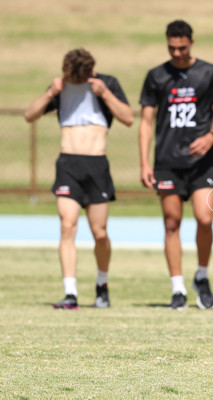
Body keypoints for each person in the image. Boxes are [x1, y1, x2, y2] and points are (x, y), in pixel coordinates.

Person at [24, 48, 134, 309]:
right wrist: (51, 92)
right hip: (68, 165)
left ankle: (102, 284)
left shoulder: (106, 84)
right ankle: (70, 292)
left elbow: (128, 118)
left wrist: (104, 94)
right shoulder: (61, 87)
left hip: (96, 165)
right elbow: (30, 115)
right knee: (67, 225)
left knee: (99, 232)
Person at [139, 20, 213, 310]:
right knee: (171, 223)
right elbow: (146, 122)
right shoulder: (156, 76)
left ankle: (201, 276)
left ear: (191, 42)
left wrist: (211, 136)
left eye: (182, 47)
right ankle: (177, 288)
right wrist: (144, 163)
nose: (177, 52)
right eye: (171, 47)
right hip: (167, 161)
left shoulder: (209, 72)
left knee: (205, 218)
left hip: (200, 162)